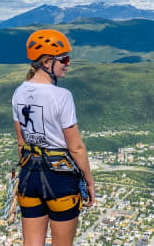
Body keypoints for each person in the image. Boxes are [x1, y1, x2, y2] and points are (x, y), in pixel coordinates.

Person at [12, 29, 95, 246]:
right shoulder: (62, 96)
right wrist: (89, 182)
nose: (68, 64)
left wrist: (25, 173)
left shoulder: (19, 92)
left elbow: (21, 142)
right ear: (47, 61)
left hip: (29, 175)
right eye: (64, 59)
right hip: (59, 178)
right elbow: (75, 147)